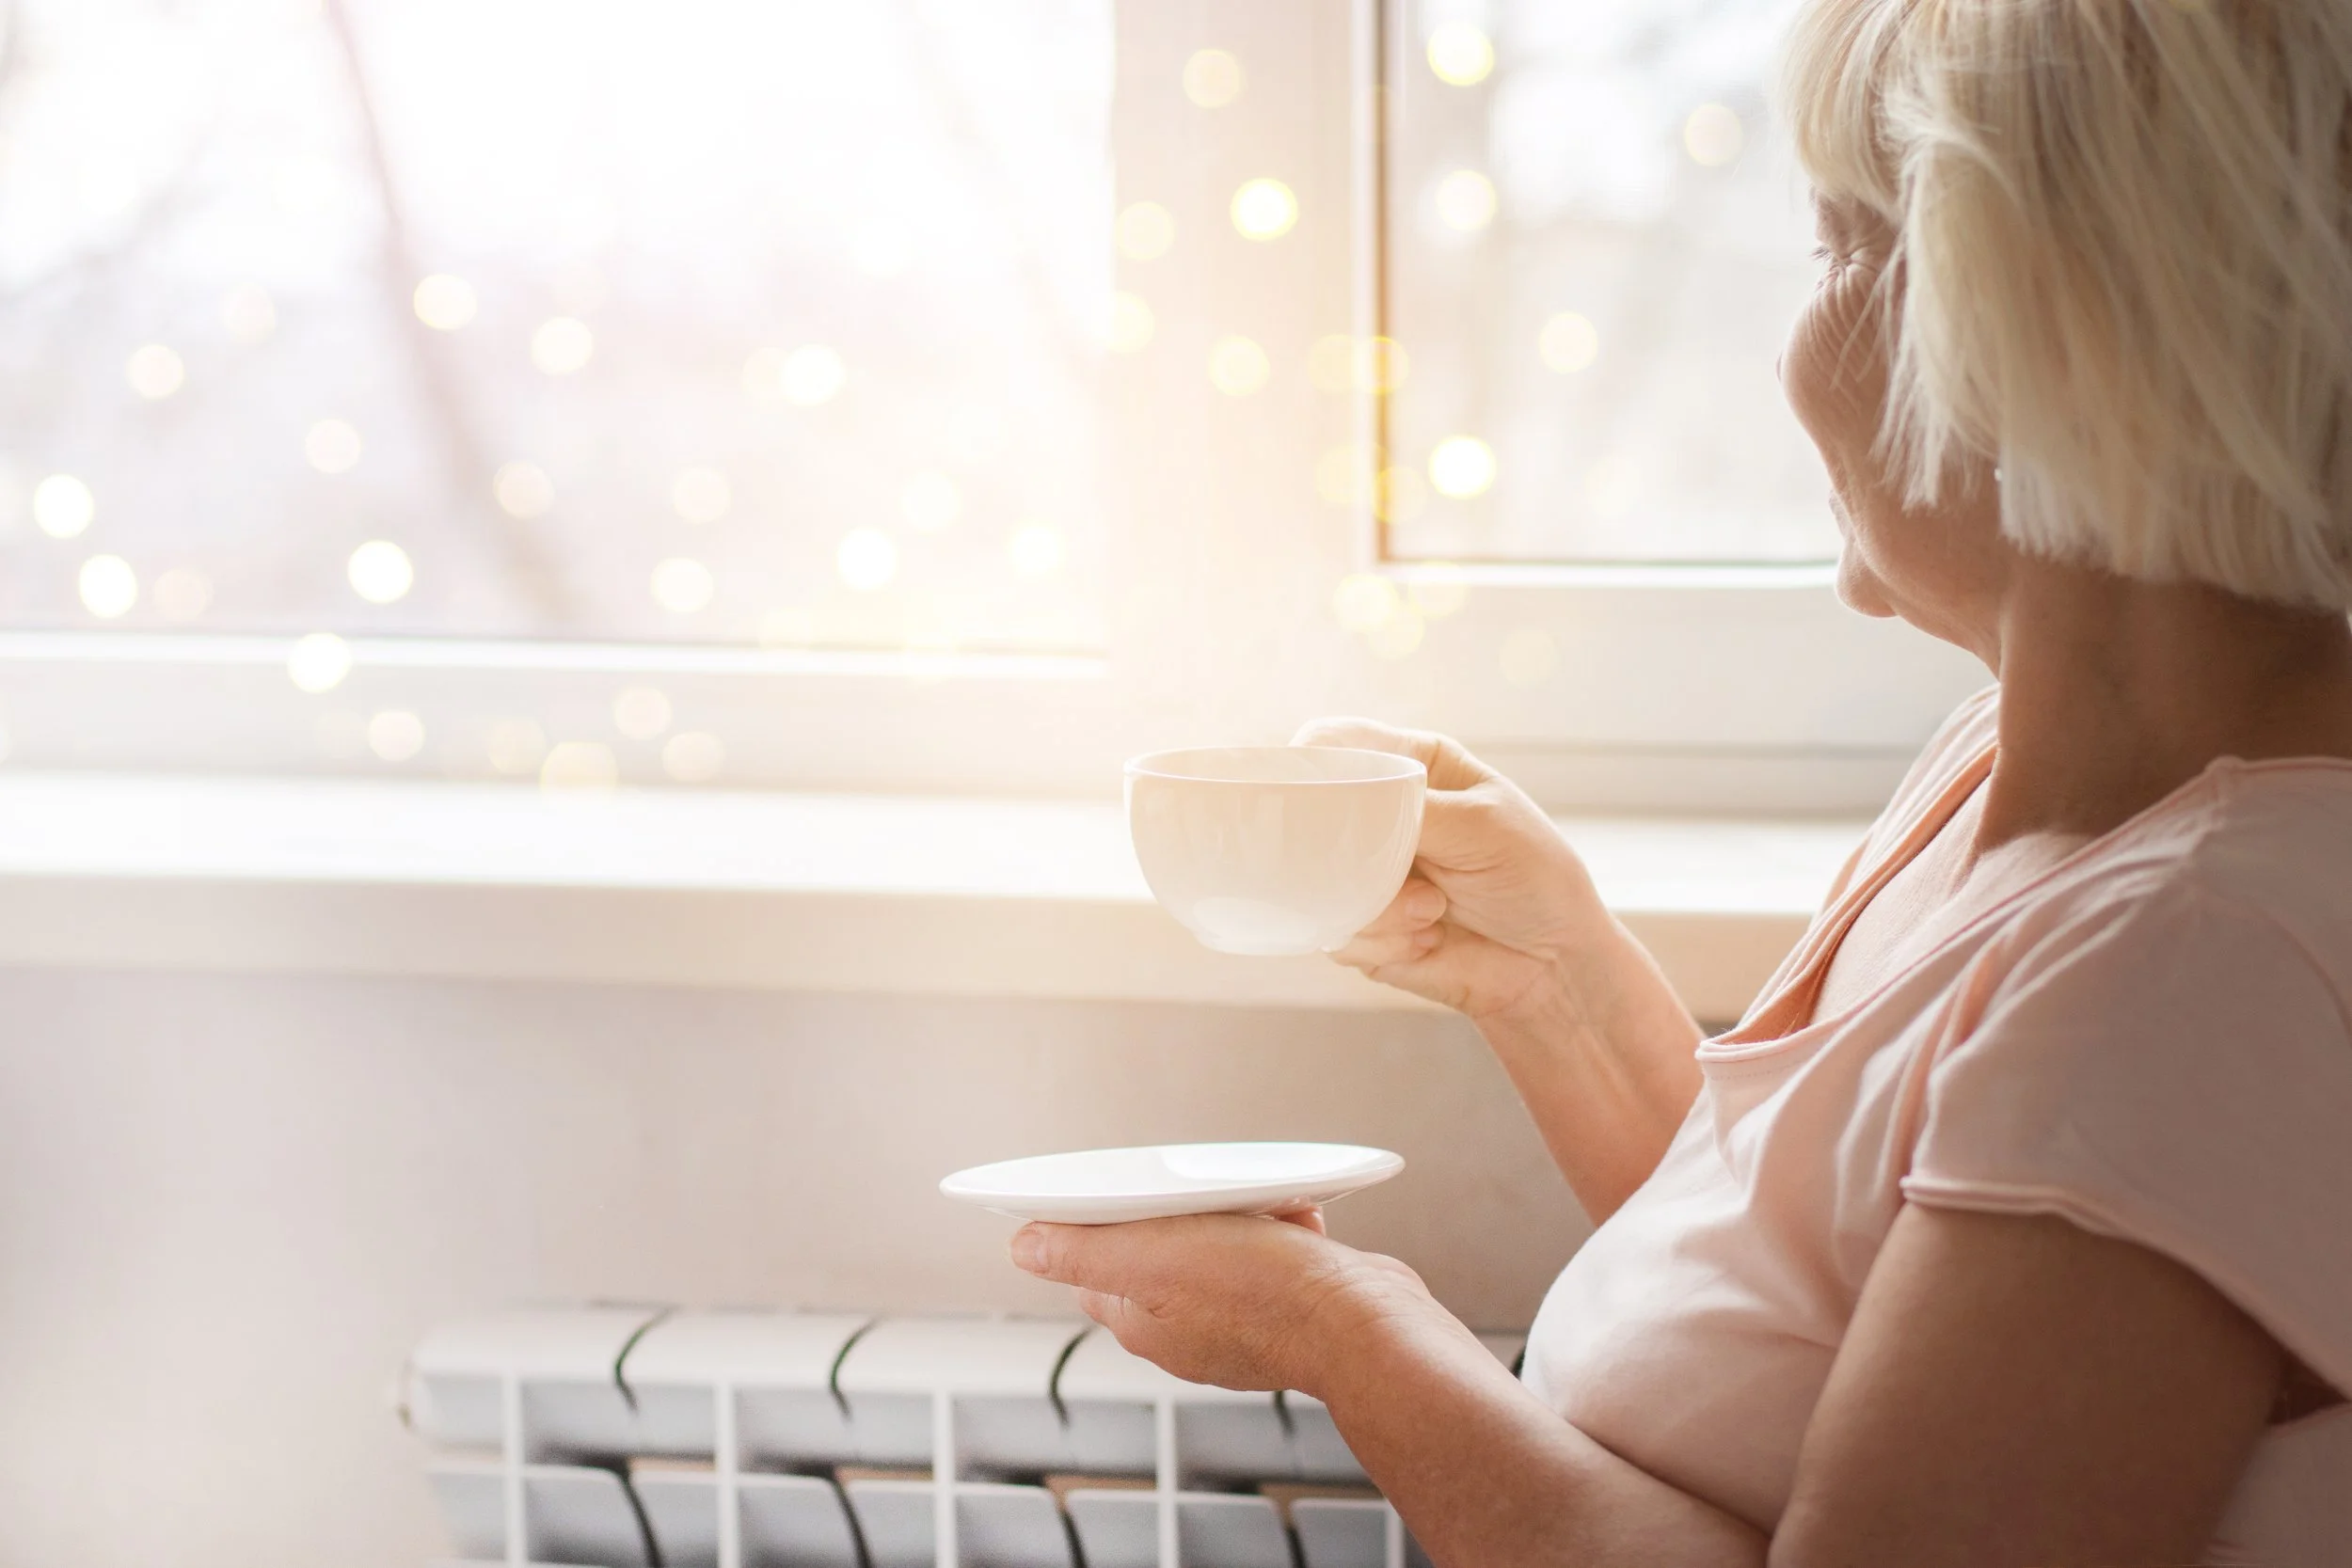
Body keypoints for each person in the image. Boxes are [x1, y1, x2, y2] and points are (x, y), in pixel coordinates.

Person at [1009, 0, 2352, 1561]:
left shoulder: (2190, 958)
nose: (1794, 351)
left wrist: (1349, 1336)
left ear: (2046, 334)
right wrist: (1551, 979)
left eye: (1842, 249)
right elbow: (1789, 1302)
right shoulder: (2013, 762)